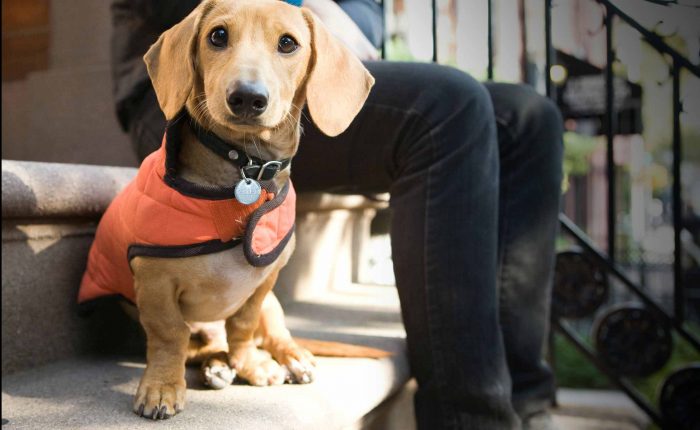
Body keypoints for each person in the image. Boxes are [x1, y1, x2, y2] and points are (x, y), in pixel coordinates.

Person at [110, 0, 563, 428]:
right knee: (451, 103)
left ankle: (528, 403)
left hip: (299, 82)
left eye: (287, 40)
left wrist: (320, 26)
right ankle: (469, 418)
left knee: (528, 118)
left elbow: (365, 16)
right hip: (183, 92)